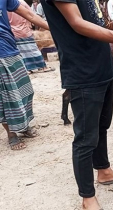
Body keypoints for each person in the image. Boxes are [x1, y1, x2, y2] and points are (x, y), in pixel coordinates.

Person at [40, 0, 113, 209]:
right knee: (85, 139)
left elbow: (93, 20)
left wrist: (110, 57)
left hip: (102, 65)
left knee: (101, 126)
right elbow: (77, 23)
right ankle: (88, 198)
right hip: (83, 71)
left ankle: (104, 171)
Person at [0, 0, 48, 150]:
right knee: (5, 98)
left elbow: (28, 14)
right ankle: (12, 134)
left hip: (11, 49)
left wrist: (56, 28)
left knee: (25, 90)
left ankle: (24, 125)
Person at [8, 0, 55, 73]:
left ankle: (27, 69)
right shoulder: (22, 3)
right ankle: (42, 66)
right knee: (34, 50)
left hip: (13, 32)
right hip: (25, 30)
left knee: (21, 52)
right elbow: (31, 15)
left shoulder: (6, 4)